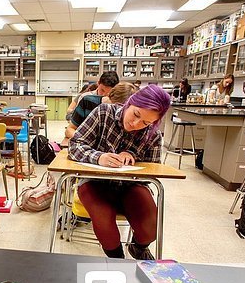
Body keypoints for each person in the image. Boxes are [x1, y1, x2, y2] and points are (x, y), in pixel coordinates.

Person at [69, 85, 171, 260]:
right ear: (130, 103)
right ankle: (118, 260)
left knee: (151, 228)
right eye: (136, 114)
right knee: (104, 224)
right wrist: (99, 157)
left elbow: (152, 170)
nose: (136, 124)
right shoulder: (103, 113)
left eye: (146, 123)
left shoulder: (153, 136)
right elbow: (75, 144)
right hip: (95, 182)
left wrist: (133, 155)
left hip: (130, 185)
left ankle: (138, 248)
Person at [65, 82, 138, 139]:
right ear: (110, 94)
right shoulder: (87, 101)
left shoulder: (128, 115)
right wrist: (85, 141)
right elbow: (69, 130)